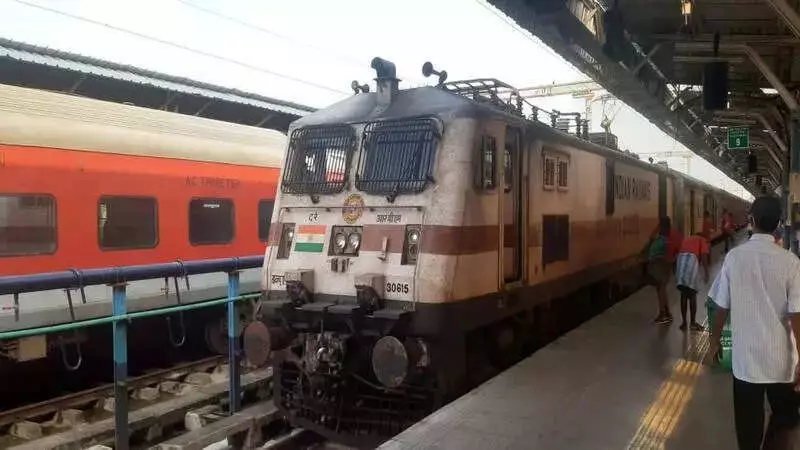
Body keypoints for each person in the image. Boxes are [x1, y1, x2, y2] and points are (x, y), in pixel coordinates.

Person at [708, 196, 800, 450]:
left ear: (751, 220)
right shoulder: (791, 262)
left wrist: (714, 341)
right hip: (782, 362)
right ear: (779, 223)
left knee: (748, 430)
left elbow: (721, 305)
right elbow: (797, 315)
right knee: (785, 422)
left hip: (746, 363)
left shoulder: (735, 258)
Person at [644, 217, 682, 325]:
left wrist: (669, 261)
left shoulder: (668, 236)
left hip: (663, 265)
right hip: (662, 265)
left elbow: (675, 251)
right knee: (661, 290)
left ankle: (662, 314)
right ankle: (667, 313)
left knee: (661, 289)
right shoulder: (667, 235)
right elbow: (651, 239)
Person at [674, 232, 710, 332]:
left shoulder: (687, 239)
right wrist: (706, 272)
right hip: (691, 259)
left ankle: (684, 323)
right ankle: (693, 323)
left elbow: (677, 252)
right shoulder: (702, 240)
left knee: (684, 293)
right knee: (692, 293)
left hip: (680, 260)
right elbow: (703, 256)